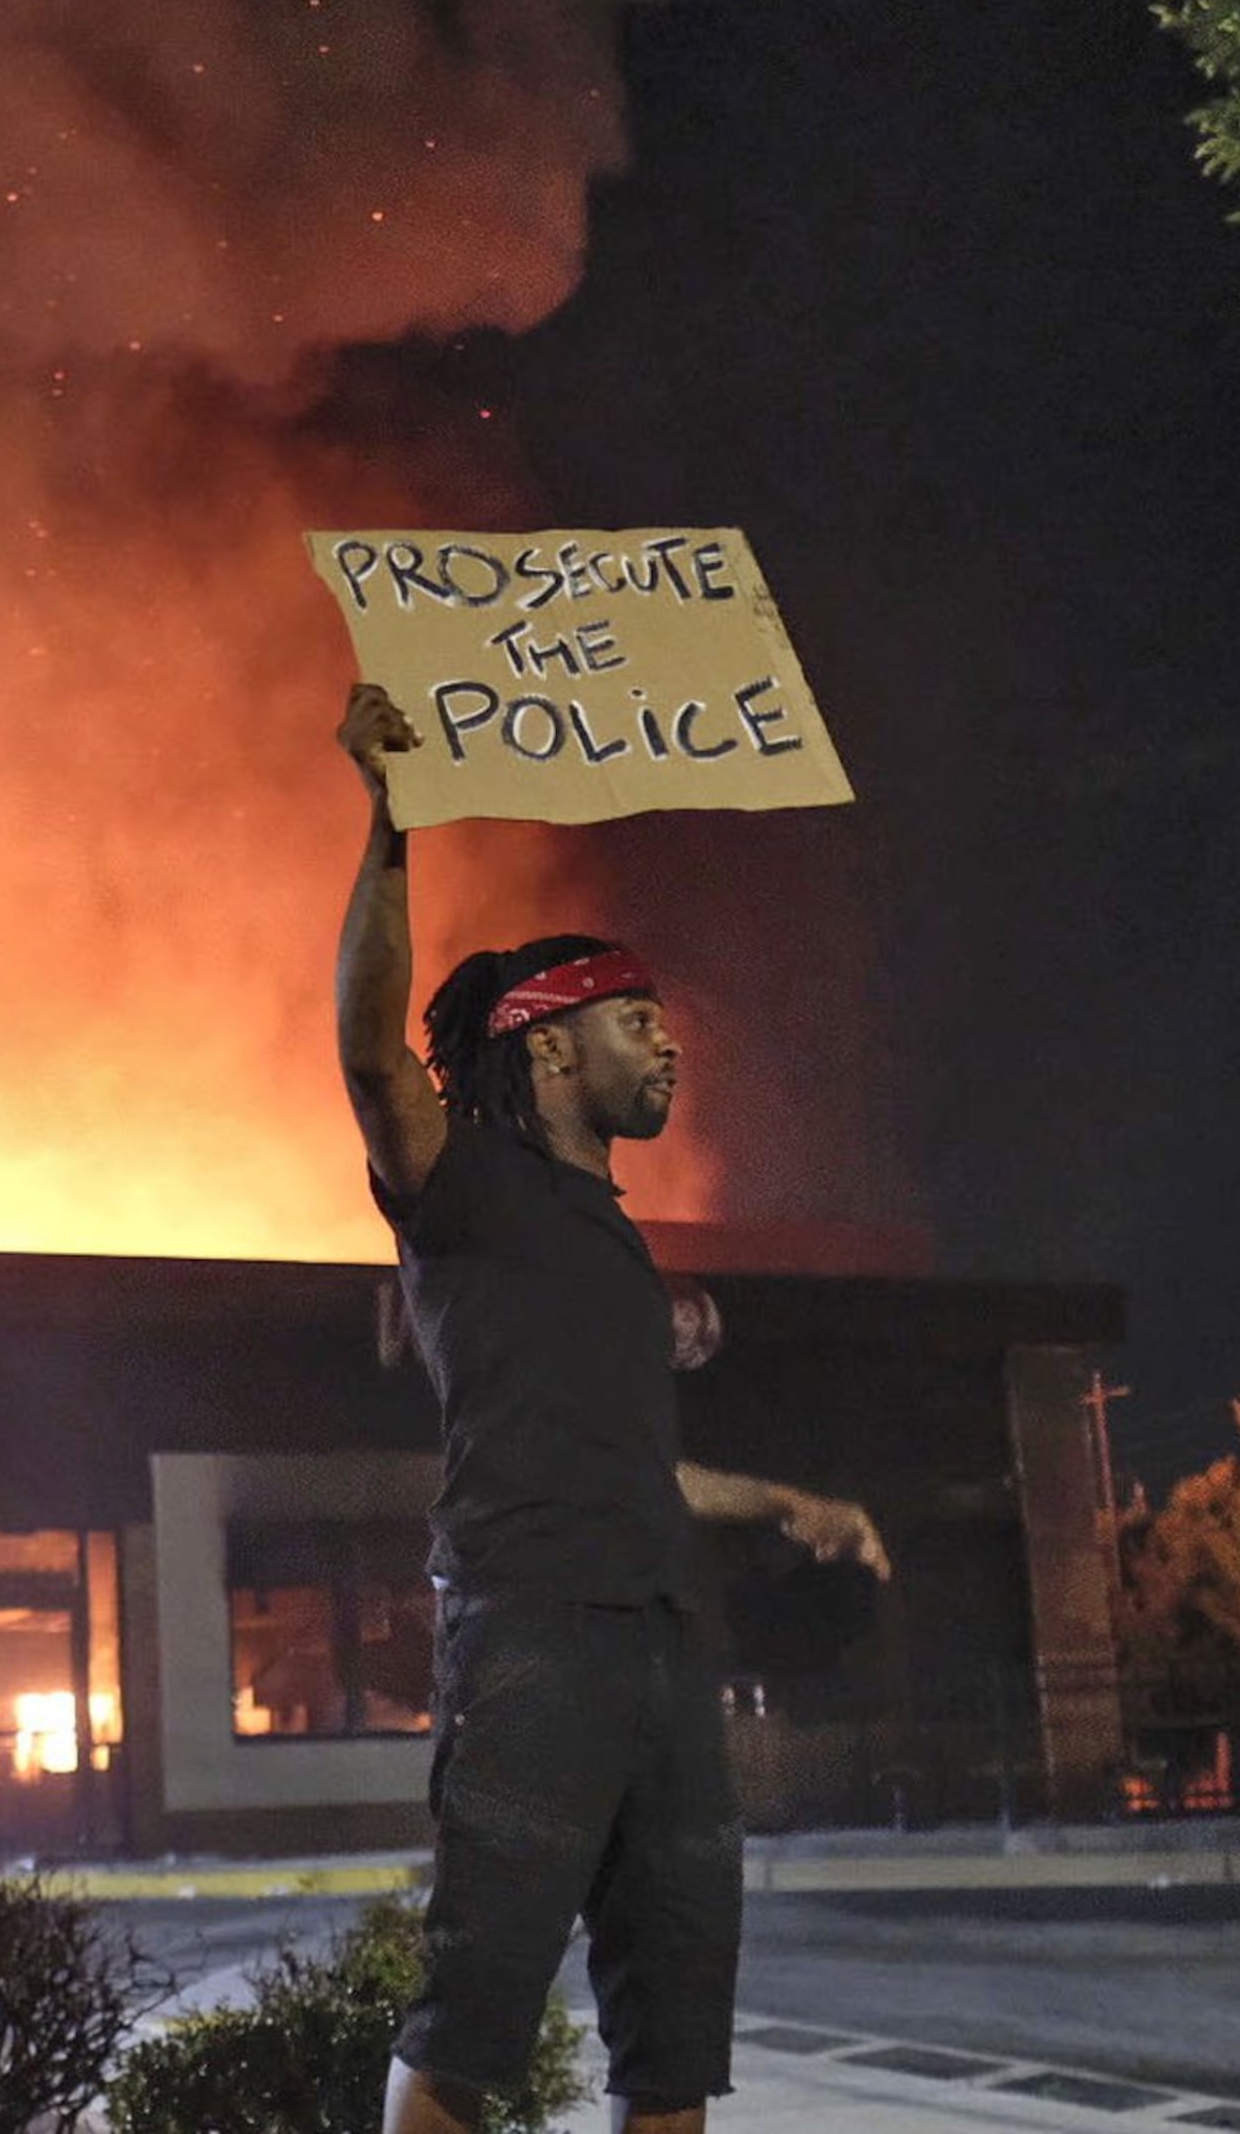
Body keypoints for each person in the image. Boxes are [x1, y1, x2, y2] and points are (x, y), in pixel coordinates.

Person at [333, 682, 893, 2134]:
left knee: (676, 2041)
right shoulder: (463, 1189)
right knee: (474, 2018)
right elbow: (369, 1053)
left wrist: (777, 1500)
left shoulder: (617, 1244)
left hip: (663, 1644)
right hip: (529, 1635)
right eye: (638, 1022)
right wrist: (392, 823)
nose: (670, 1047)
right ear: (550, 1044)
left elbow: (630, 1461)